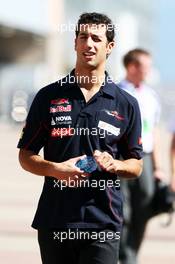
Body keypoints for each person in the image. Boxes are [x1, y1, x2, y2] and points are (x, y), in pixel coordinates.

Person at [17, 13, 143, 264]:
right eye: (83, 37)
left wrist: (115, 164)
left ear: (109, 47)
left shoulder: (126, 103)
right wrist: (55, 169)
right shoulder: (48, 96)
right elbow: (26, 156)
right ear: (75, 42)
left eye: (96, 38)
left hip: (103, 223)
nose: (89, 44)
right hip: (55, 221)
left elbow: (136, 164)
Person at [118, 48, 164, 264]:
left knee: (145, 204)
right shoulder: (116, 92)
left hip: (144, 157)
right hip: (120, 157)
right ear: (132, 67)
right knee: (122, 209)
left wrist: (158, 167)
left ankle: (131, 253)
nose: (149, 71)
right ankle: (124, 256)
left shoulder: (151, 96)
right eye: (146, 66)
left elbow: (153, 133)